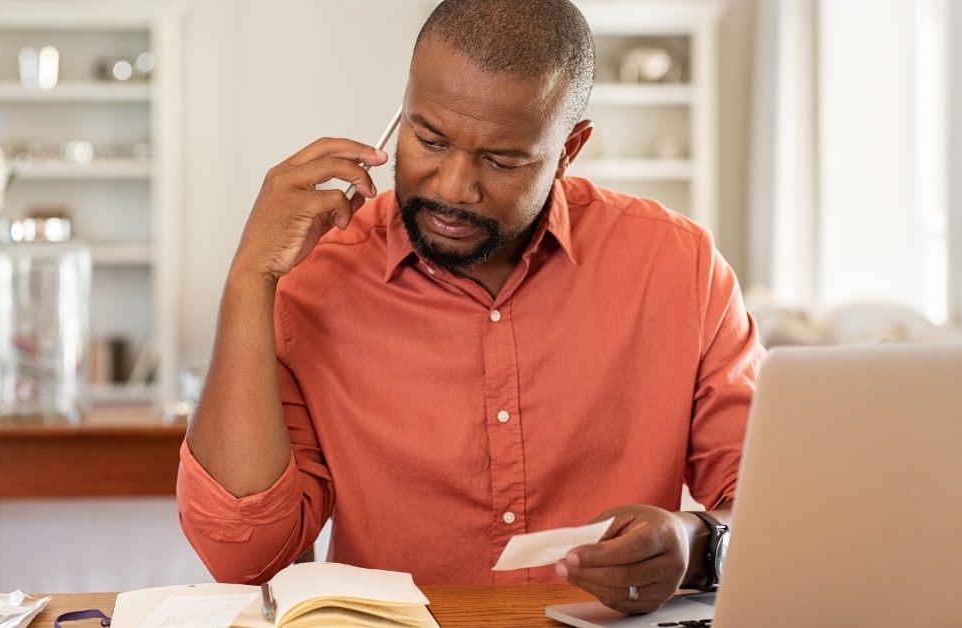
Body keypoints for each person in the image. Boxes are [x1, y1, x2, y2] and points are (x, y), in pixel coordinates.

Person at [177, 0, 763, 615]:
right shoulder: (314, 278)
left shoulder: (680, 267)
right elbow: (241, 554)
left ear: (569, 149)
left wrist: (696, 543)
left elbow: (779, 508)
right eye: (428, 138)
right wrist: (250, 277)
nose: (453, 188)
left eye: (502, 160)